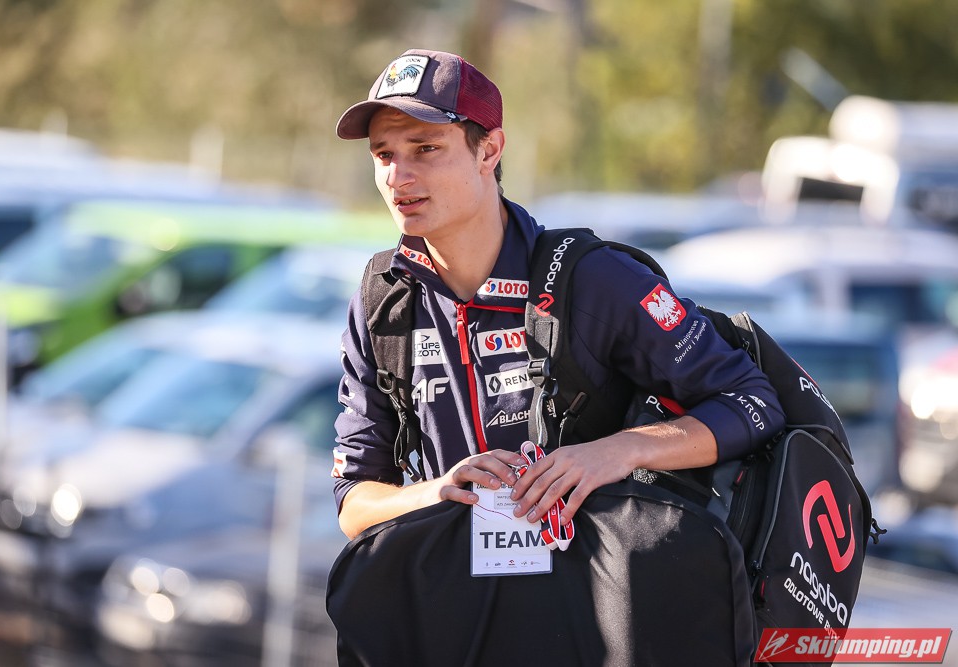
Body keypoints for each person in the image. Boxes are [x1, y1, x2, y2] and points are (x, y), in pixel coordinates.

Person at [331, 48, 785, 541]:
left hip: (601, 585)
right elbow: (352, 500)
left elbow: (751, 401)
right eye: (384, 154)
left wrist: (620, 450)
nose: (397, 176)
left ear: (489, 151)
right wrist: (435, 492)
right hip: (450, 587)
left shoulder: (593, 277)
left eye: (425, 148)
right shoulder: (383, 298)